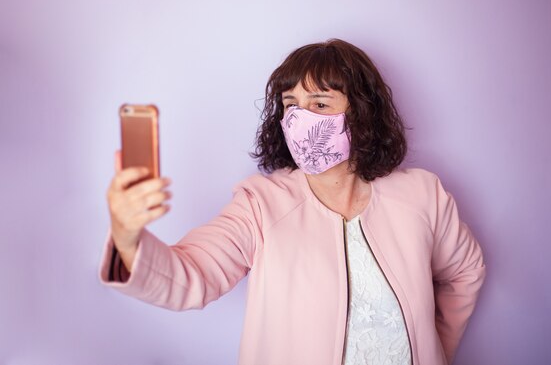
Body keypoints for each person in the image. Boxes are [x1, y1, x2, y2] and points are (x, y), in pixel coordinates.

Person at [101, 39, 486, 365]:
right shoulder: (260, 205)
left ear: (363, 113)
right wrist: (127, 239)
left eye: (320, 104)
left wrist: (433, 350)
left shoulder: (422, 195)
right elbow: (191, 275)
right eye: (291, 105)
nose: (301, 119)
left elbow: (465, 272)